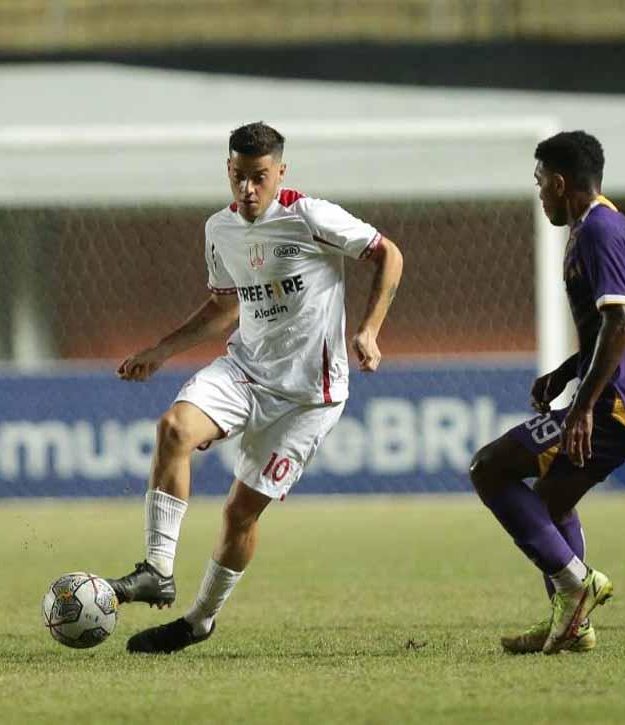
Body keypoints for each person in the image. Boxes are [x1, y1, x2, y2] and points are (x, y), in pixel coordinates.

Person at [106, 121, 404, 653]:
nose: (247, 189)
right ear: (228, 170)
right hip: (245, 369)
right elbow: (225, 304)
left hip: (309, 398)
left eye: (259, 177)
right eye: (239, 176)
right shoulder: (218, 230)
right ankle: (157, 568)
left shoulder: (309, 216)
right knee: (175, 428)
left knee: (240, 513)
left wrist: (369, 329)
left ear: (280, 173)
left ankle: (199, 620)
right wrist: (160, 351)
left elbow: (389, 254)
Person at [469, 130, 625, 655]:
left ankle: (575, 586)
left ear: (560, 184)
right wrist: (566, 372)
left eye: (540, 183)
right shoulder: (609, 225)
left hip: (617, 402)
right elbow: (616, 324)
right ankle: (572, 623)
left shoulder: (599, 232)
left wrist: (581, 406)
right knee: (552, 502)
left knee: (489, 467)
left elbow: (623, 325)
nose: (538, 194)